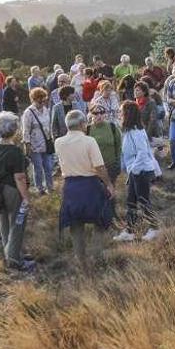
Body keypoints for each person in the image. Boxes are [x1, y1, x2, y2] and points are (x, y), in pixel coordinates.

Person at [55, 110, 115, 267]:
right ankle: (97, 254)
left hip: (70, 186)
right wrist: (108, 184)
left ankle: (81, 260)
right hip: (90, 185)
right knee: (101, 219)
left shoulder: (58, 142)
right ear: (83, 124)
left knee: (76, 224)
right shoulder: (89, 141)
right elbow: (100, 167)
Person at [0, 111, 35, 272]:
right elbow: (19, 177)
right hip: (12, 189)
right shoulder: (15, 151)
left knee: (4, 222)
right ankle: (14, 260)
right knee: (17, 223)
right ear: (14, 129)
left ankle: (11, 253)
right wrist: (26, 198)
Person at [114, 101, 161, 242]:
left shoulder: (136, 132)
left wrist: (134, 169)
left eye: (121, 112)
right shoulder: (129, 131)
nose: (120, 115)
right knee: (131, 202)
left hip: (141, 171)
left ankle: (155, 228)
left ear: (128, 114)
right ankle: (130, 231)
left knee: (143, 201)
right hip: (135, 171)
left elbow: (142, 152)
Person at [22, 87, 54, 195]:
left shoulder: (46, 110)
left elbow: (49, 126)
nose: (42, 102)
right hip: (34, 144)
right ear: (34, 99)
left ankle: (50, 187)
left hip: (46, 142)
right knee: (38, 168)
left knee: (49, 167)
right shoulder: (29, 112)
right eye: (39, 99)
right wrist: (27, 144)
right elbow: (25, 130)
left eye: (43, 99)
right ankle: (40, 189)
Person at [87, 104, 122, 185]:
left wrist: (117, 162)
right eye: (96, 113)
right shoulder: (87, 129)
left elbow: (119, 146)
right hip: (94, 168)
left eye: (102, 113)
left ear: (105, 114)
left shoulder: (112, 127)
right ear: (91, 115)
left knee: (109, 192)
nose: (99, 115)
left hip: (110, 166)